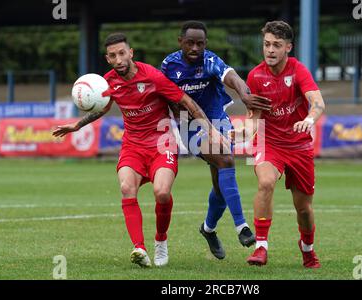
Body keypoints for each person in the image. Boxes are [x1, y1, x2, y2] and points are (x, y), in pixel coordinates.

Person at [53, 33, 225, 268]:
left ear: (131, 53)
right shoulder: (107, 82)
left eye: (122, 53)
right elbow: (102, 107)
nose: (119, 59)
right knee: (126, 187)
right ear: (108, 58)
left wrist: (210, 130)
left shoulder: (153, 76)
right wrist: (77, 124)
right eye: (113, 56)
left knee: (162, 193)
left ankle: (161, 241)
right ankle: (139, 248)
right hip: (132, 146)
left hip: (161, 144)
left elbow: (186, 101)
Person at [161, 21, 272, 260]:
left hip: (218, 119)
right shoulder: (169, 66)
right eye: (189, 42)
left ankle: (208, 229)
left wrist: (244, 95)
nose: (195, 48)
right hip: (189, 125)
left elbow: (231, 77)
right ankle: (242, 227)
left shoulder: (210, 59)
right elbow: (166, 98)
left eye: (200, 43)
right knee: (226, 159)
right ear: (180, 41)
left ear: (205, 44)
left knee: (221, 187)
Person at [244, 21, 325, 268]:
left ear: (288, 47)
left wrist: (309, 119)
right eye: (267, 44)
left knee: (303, 209)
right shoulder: (255, 76)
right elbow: (254, 117)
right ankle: (261, 247)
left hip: (299, 146)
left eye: (277, 45)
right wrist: (244, 133)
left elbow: (317, 102)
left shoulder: (298, 71)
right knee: (266, 182)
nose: (270, 50)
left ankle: (307, 248)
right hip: (269, 141)